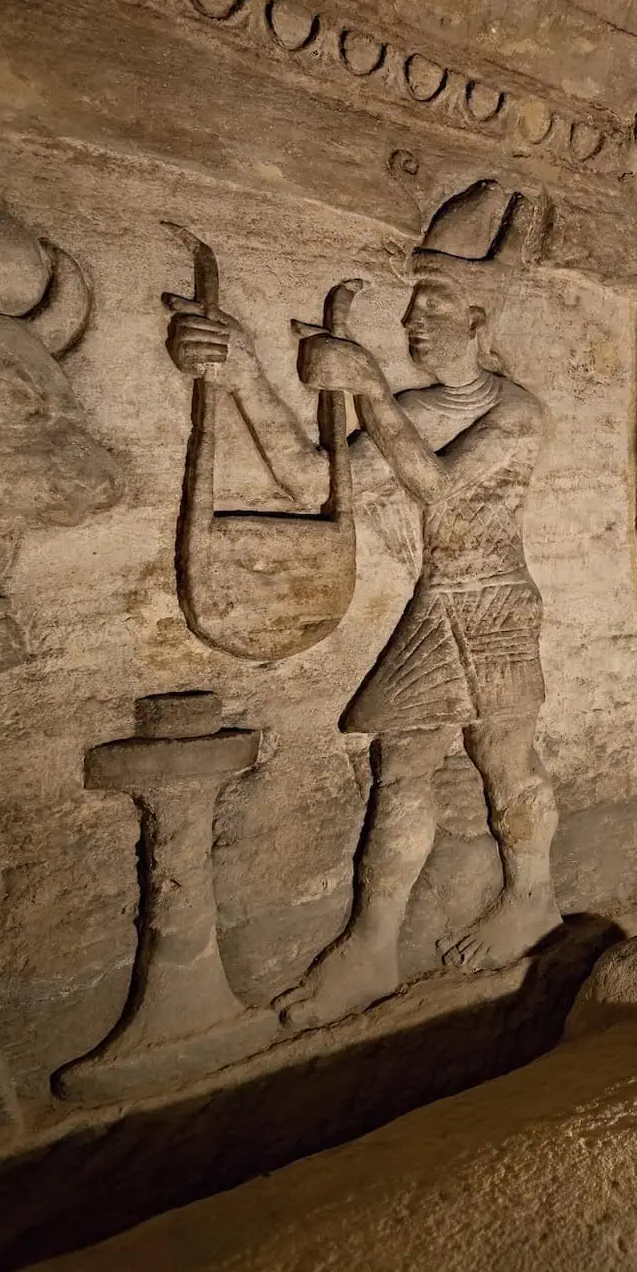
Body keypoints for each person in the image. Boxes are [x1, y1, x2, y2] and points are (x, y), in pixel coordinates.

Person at [165, 270, 559, 1030]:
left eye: (433, 313)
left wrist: (370, 387)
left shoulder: (516, 410)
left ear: (478, 321)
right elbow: (314, 479)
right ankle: (374, 945)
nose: (415, 326)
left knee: (505, 756)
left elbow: (440, 490)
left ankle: (532, 900)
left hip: (496, 599)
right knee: (401, 762)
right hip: (440, 600)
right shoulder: (413, 408)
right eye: (410, 314)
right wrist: (243, 372)